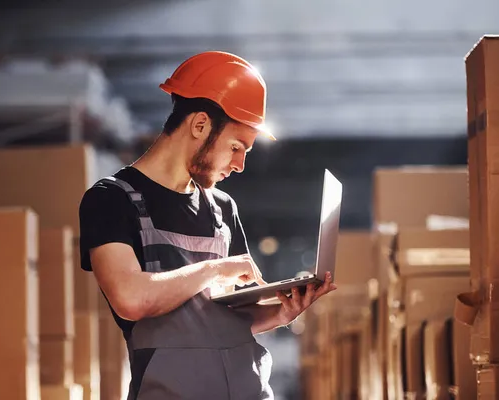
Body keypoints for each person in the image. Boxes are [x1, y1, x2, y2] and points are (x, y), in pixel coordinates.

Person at [78, 51, 337, 400]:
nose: (241, 165)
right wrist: (217, 268)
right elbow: (131, 298)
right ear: (200, 125)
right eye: (236, 147)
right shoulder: (111, 199)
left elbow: (225, 319)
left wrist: (281, 311)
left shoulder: (222, 210)